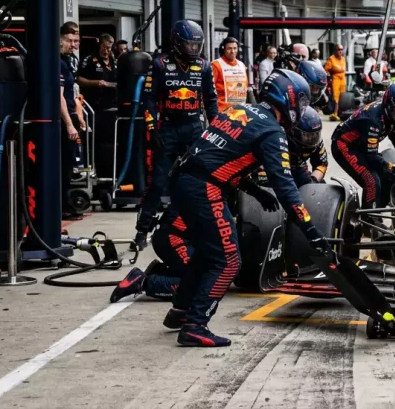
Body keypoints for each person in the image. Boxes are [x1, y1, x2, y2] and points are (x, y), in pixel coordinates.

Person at [165, 70, 316, 346]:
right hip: (203, 188)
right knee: (228, 260)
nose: (302, 108)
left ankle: (180, 311)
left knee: (208, 253)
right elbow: (285, 185)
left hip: (182, 179)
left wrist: (256, 191)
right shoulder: (272, 131)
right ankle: (196, 325)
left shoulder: (238, 109)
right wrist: (310, 228)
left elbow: (222, 157)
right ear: (289, 98)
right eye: (302, 101)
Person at [134, 20, 217, 250]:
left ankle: (197, 227)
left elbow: (211, 100)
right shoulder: (160, 64)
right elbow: (148, 97)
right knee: (158, 182)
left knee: (198, 180)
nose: (193, 49)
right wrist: (152, 127)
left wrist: (215, 127)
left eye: (196, 46)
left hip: (194, 127)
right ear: (177, 43)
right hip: (168, 128)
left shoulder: (204, 66)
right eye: (189, 45)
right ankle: (142, 230)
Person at [332, 83, 395, 209]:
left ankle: (376, 210)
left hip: (361, 146)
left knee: (390, 178)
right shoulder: (372, 120)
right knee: (371, 180)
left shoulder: (389, 115)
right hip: (344, 146)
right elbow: (372, 157)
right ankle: (368, 219)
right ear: (389, 105)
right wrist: (390, 166)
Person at [59, 23, 82, 221]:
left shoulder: (67, 62)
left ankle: (65, 203)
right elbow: (59, 97)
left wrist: (79, 115)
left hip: (70, 115)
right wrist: (69, 124)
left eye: (76, 41)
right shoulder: (57, 63)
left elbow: (72, 92)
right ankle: (60, 206)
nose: (73, 45)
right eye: (69, 41)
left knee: (69, 166)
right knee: (63, 166)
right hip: (60, 122)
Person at [77, 33, 118, 112]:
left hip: (113, 105)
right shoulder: (89, 60)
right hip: (94, 105)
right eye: (104, 47)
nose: (106, 51)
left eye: (108, 48)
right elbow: (79, 80)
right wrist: (97, 83)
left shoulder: (115, 61)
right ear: (99, 45)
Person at [211, 36, 249, 112]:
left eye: (235, 48)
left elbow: (245, 86)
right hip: (222, 111)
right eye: (229, 48)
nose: (233, 51)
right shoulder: (216, 65)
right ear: (223, 50)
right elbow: (209, 89)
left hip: (240, 110)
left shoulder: (241, 65)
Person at [324, 44, 347, 121]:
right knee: (336, 96)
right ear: (335, 50)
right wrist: (329, 77)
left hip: (342, 78)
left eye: (341, 49)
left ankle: (341, 113)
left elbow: (344, 69)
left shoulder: (343, 59)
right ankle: (335, 113)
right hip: (335, 78)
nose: (340, 51)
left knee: (343, 96)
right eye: (338, 49)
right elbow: (326, 70)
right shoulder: (331, 59)